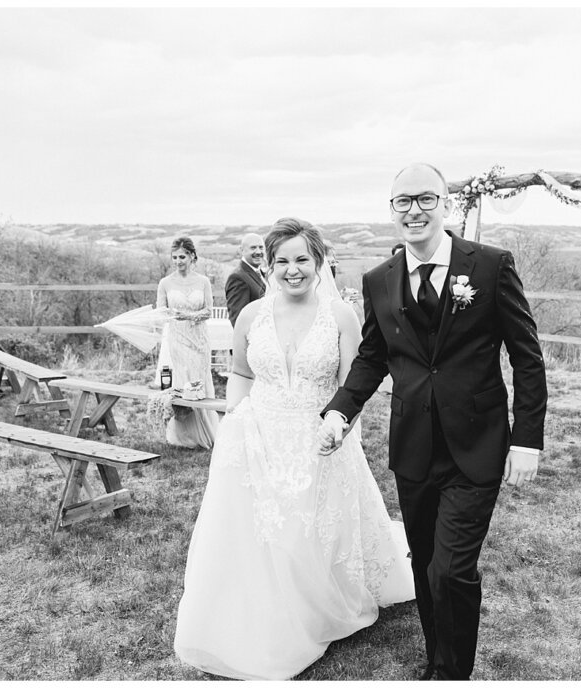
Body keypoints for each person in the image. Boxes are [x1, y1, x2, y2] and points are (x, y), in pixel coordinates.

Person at [318, 163, 548, 680]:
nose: (414, 210)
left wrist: (527, 439)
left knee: (451, 569)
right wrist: (339, 410)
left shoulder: (489, 266)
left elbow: (527, 357)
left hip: (478, 443)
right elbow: (373, 357)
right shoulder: (379, 279)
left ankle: (453, 674)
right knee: (426, 567)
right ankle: (437, 660)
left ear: (446, 203)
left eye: (426, 198)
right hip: (414, 447)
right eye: (403, 201)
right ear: (392, 209)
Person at [174, 218, 415, 680]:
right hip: (259, 435)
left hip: (320, 436)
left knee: (310, 530)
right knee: (263, 531)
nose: (292, 269)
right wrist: (234, 423)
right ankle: (264, 604)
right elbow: (241, 374)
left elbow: (353, 382)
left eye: (302, 258)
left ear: (319, 261)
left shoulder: (341, 315)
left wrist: (341, 430)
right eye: (281, 260)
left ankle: (317, 604)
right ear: (268, 265)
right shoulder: (251, 315)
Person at [155, 237, 219, 449]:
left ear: (192, 256)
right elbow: (161, 311)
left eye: (182, 256)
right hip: (178, 339)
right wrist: (172, 316)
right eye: (174, 257)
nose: (178, 261)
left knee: (200, 379)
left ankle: (206, 431)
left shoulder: (203, 281)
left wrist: (190, 316)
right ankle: (185, 435)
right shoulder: (165, 283)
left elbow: (209, 311)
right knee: (184, 381)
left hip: (199, 339)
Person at [224, 232, 267, 326]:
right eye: (253, 248)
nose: (258, 252)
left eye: (261, 247)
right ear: (242, 250)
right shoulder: (237, 278)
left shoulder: (262, 274)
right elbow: (238, 321)